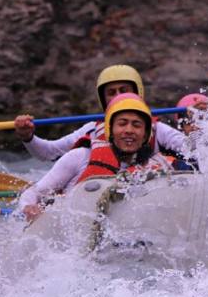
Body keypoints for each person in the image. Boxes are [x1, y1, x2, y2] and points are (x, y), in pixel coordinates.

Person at [17, 94, 187, 221]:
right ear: (110, 131)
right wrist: (28, 208)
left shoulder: (159, 166)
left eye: (136, 125)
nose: (129, 130)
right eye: (122, 124)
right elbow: (33, 193)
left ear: (145, 135)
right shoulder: (79, 157)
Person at [13, 64, 185, 161]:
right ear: (103, 100)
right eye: (111, 93)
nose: (119, 97)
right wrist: (28, 137)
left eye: (124, 90)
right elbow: (48, 152)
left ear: (138, 93)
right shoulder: (92, 130)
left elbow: (198, 150)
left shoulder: (158, 130)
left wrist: (201, 122)